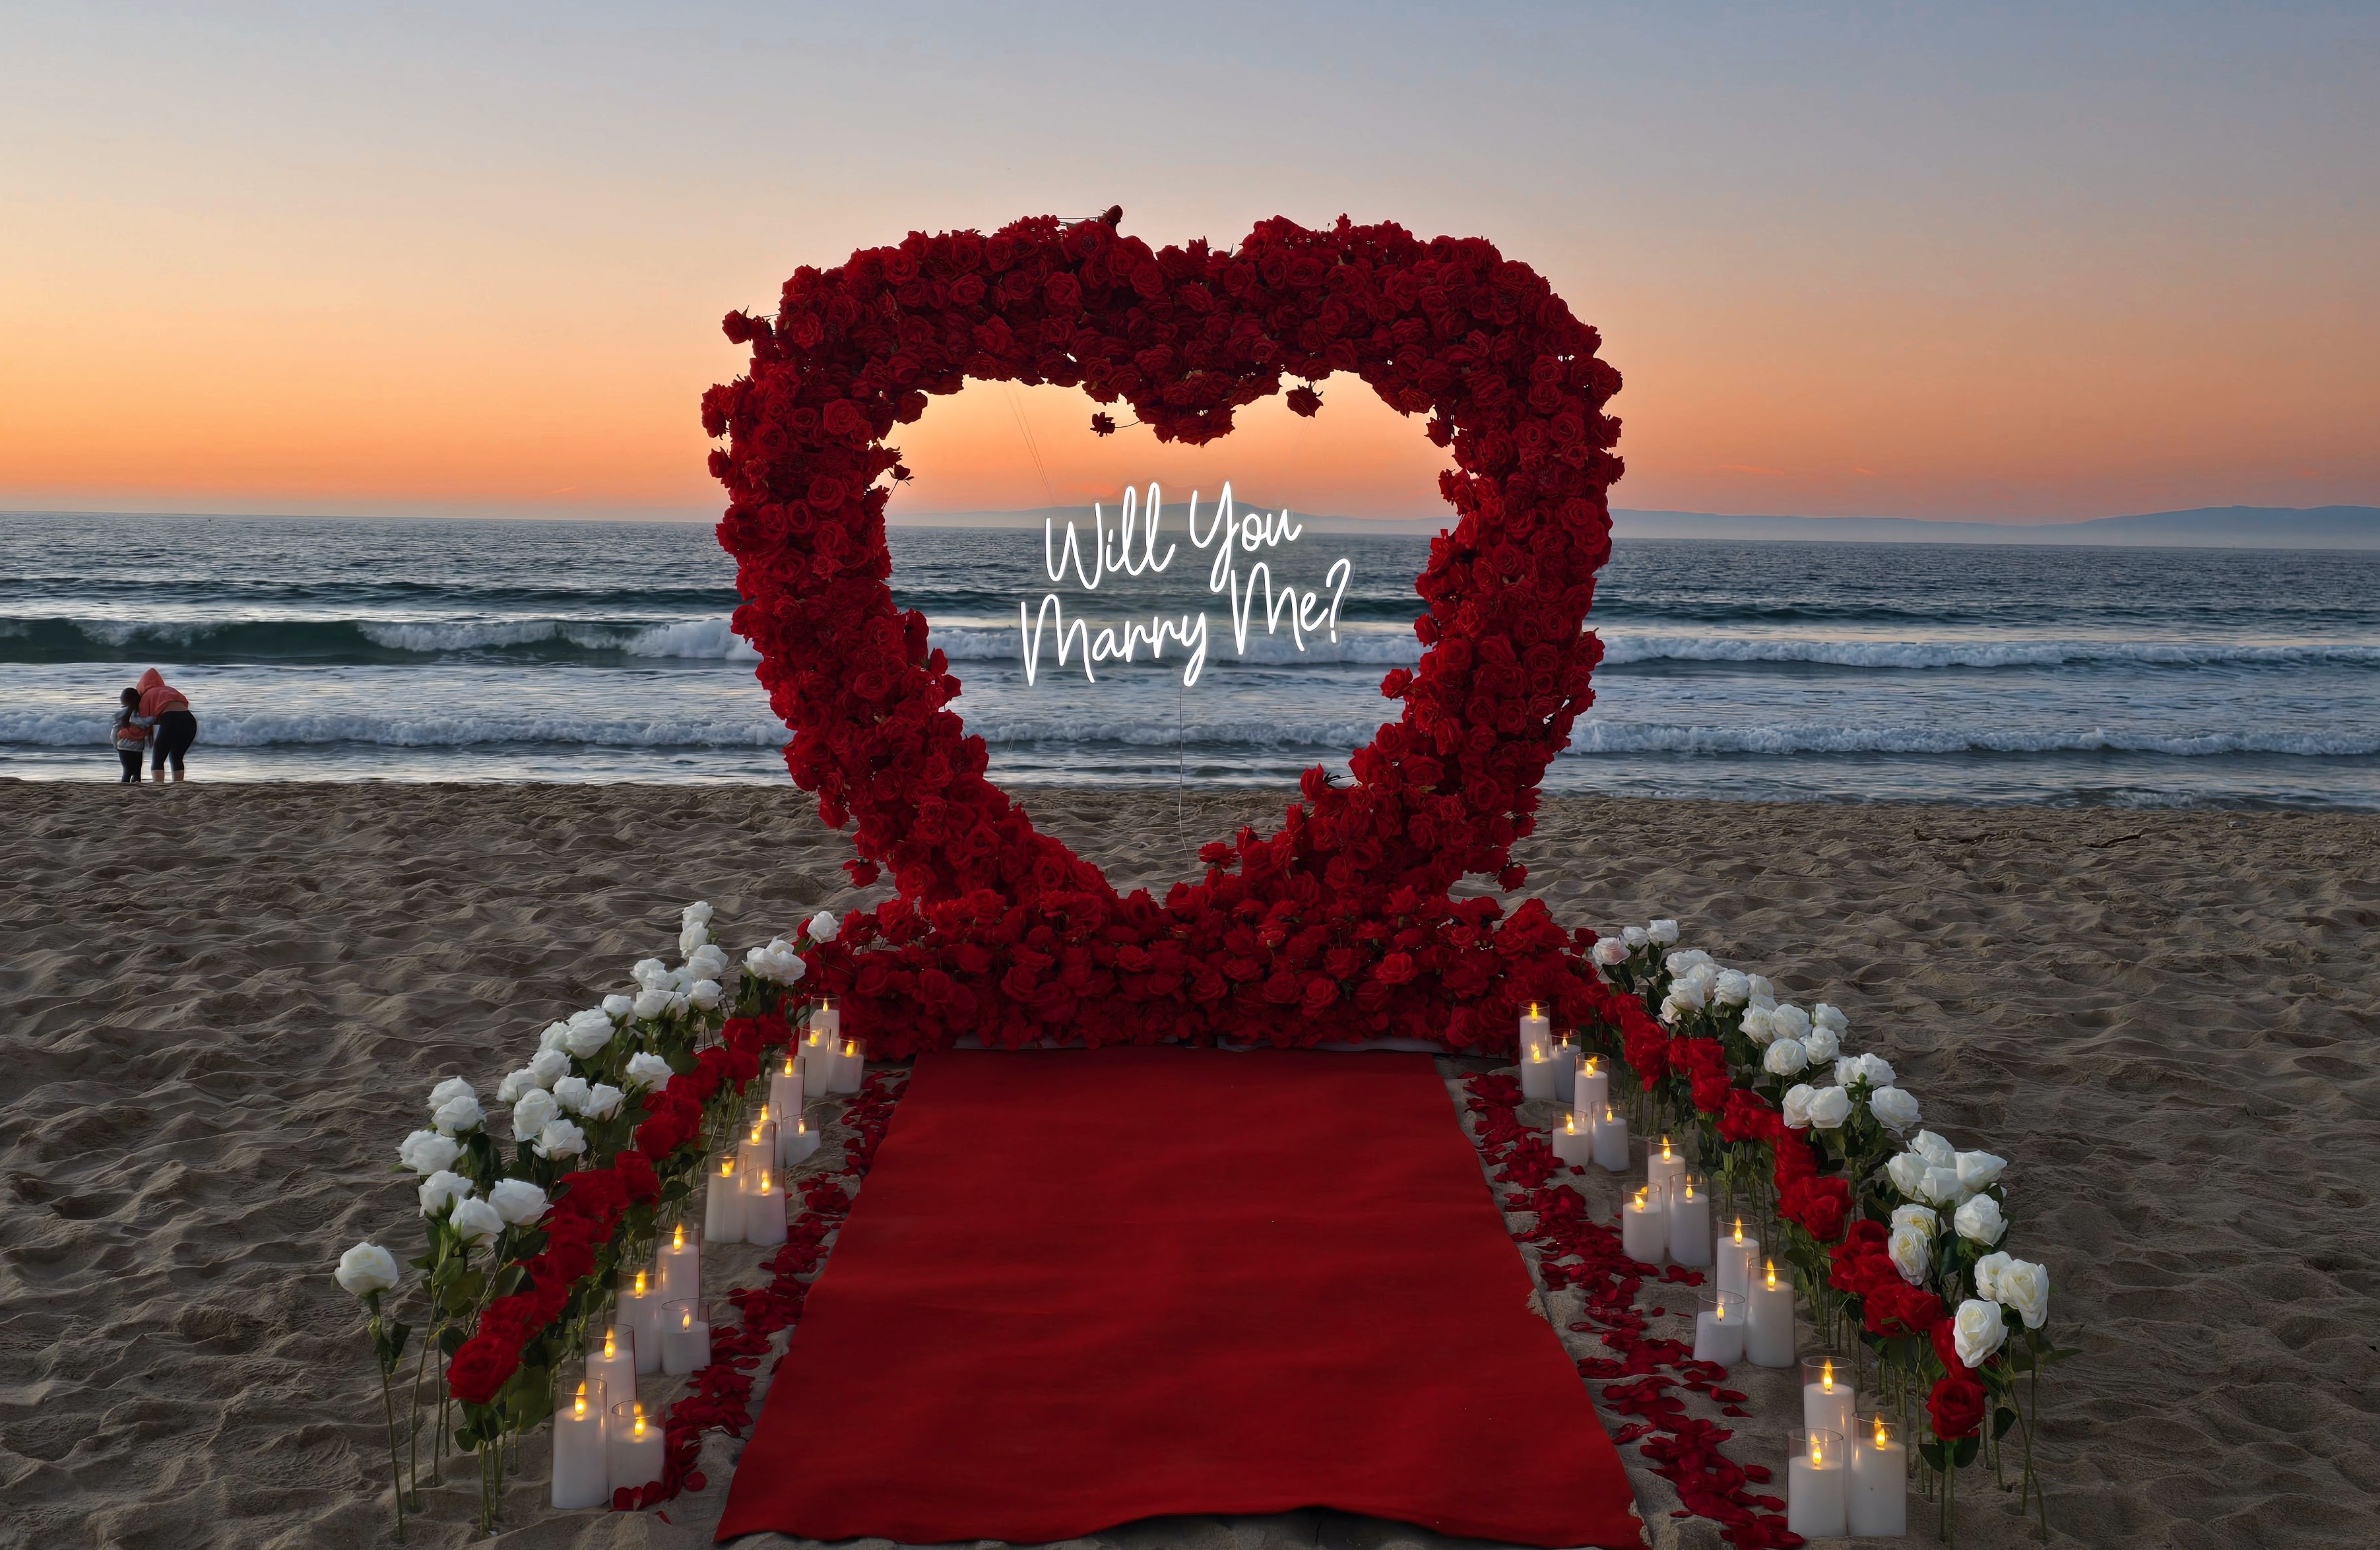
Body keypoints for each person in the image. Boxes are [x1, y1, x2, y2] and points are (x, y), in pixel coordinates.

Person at [135, 668, 198, 783]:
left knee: (158, 758)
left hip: (171, 720)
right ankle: (178, 785)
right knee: (177, 756)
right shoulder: (170, 690)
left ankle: (158, 786)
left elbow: (144, 722)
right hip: (190, 720)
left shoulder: (147, 695)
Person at [112, 686, 149, 783]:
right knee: (137, 773)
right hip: (138, 748)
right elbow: (146, 723)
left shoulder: (120, 714)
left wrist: (116, 745)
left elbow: (114, 732)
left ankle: (124, 790)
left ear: (124, 700)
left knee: (127, 772)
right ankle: (137, 791)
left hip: (123, 747)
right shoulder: (142, 713)